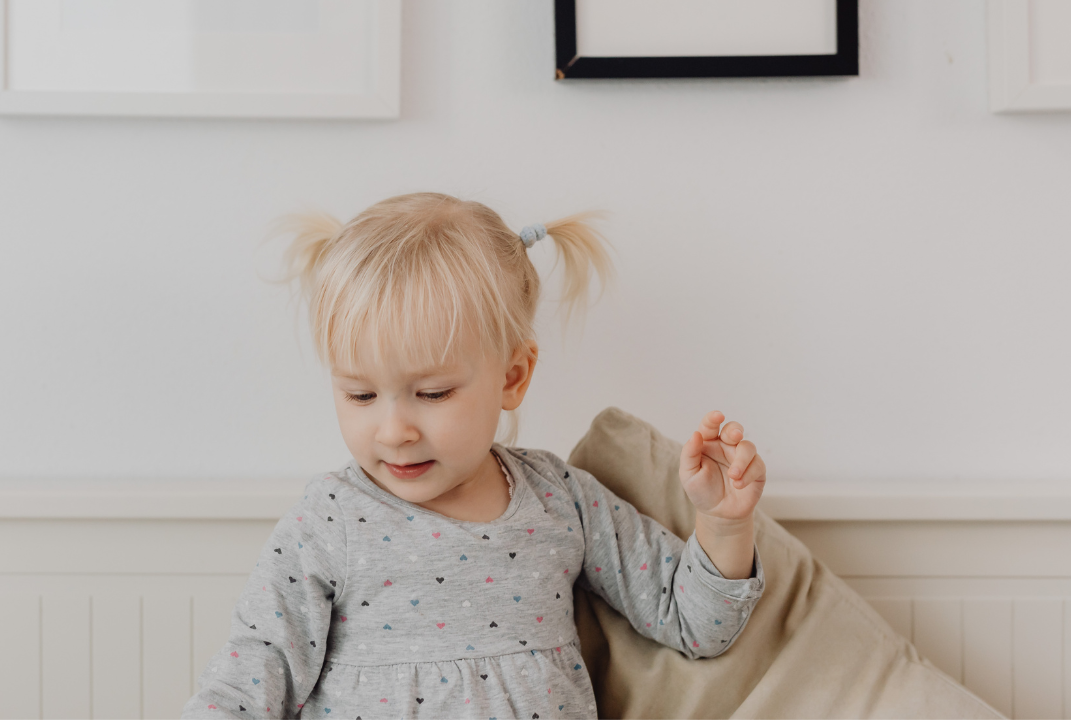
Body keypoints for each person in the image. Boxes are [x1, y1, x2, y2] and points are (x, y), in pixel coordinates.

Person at [182, 192, 767, 719]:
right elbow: (255, 671)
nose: (394, 431)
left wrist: (724, 523)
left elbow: (693, 624)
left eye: (433, 394)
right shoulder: (331, 518)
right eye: (360, 395)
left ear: (512, 377)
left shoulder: (560, 499)